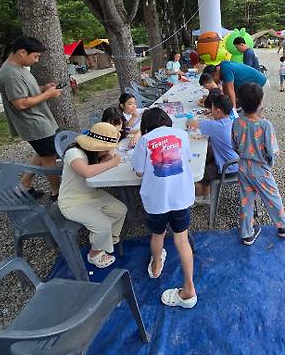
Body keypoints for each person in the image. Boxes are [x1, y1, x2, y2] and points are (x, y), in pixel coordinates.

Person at [132, 108, 197, 308]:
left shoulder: (144, 140)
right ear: (167, 121)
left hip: (156, 200)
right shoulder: (181, 134)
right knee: (182, 240)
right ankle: (188, 288)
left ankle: (157, 264)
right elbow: (188, 159)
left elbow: (139, 171)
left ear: (146, 125)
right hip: (180, 197)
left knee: (157, 234)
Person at [0, 35, 62, 200]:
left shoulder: (18, 68)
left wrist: (43, 88)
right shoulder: (11, 74)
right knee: (49, 158)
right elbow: (20, 103)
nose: (37, 60)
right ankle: (57, 193)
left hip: (40, 122)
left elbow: (27, 91)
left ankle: (25, 184)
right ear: (22, 52)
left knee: (42, 153)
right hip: (35, 124)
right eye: (35, 56)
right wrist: (48, 94)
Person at [231, 83, 285, 245]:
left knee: (246, 199)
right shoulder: (265, 125)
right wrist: (269, 164)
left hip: (243, 167)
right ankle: (282, 226)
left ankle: (247, 233)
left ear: (240, 101)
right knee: (272, 197)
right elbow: (272, 151)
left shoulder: (236, 122)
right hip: (261, 169)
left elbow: (234, 145)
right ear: (260, 103)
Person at [58, 122, 127, 268]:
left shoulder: (92, 151)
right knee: (103, 224)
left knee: (120, 209)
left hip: (91, 193)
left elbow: (104, 158)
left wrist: (107, 155)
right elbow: (86, 171)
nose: (108, 151)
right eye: (105, 148)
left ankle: (107, 237)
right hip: (72, 201)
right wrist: (112, 162)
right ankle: (94, 253)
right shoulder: (74, 153)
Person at [186, 95, 239, 205]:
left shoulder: (216, 126)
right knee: (206, 154)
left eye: (212, 109)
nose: (211, 111)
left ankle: (203, 197)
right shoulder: (230, 121)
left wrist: (189, 116)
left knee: (193, 171)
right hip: (237, 162)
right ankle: (206, 192)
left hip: (228, 168)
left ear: (218, 111)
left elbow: (191, 123)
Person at [203, 61, 268, 109]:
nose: (214, 82)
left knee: (254, 115)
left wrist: (233, 109)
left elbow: (230, 89)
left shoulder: (225, 69)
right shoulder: (222, 67)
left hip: (261, 86)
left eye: (212, 81)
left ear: (214, 75)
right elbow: (225, 89)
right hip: (253, 88)